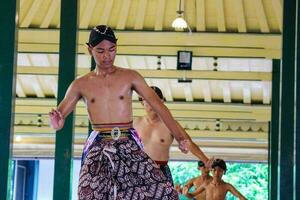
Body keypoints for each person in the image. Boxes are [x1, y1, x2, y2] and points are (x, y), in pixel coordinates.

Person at [49, 25, 210, 200]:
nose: (107, 56)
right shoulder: (80, 84)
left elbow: (159, 107)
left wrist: (180, 138)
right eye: (100, 51)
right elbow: (61, 115)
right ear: (90, 50)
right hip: (99, 145)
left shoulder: (130, 77)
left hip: (127, 143)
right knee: (88, 194)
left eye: (112, 50)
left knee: (165, 193)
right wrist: (57, 122)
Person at [133, 86, 176, 185]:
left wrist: (205, 159)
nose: (151, 103)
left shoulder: (170, 124)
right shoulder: (135, 124)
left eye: (155, 99)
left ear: (162, 102)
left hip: (161, 171)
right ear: (142, 102)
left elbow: (187, 141)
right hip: (138, 171)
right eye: (148, 99)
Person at [182, 159, 247, 200]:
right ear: (211, 170)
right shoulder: (206, 184)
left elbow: (241, 197)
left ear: (224, 172)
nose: (217, 173)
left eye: (220, 171)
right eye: (214, 170)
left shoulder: (227, 186)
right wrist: (186, 194)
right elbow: (192, 195)